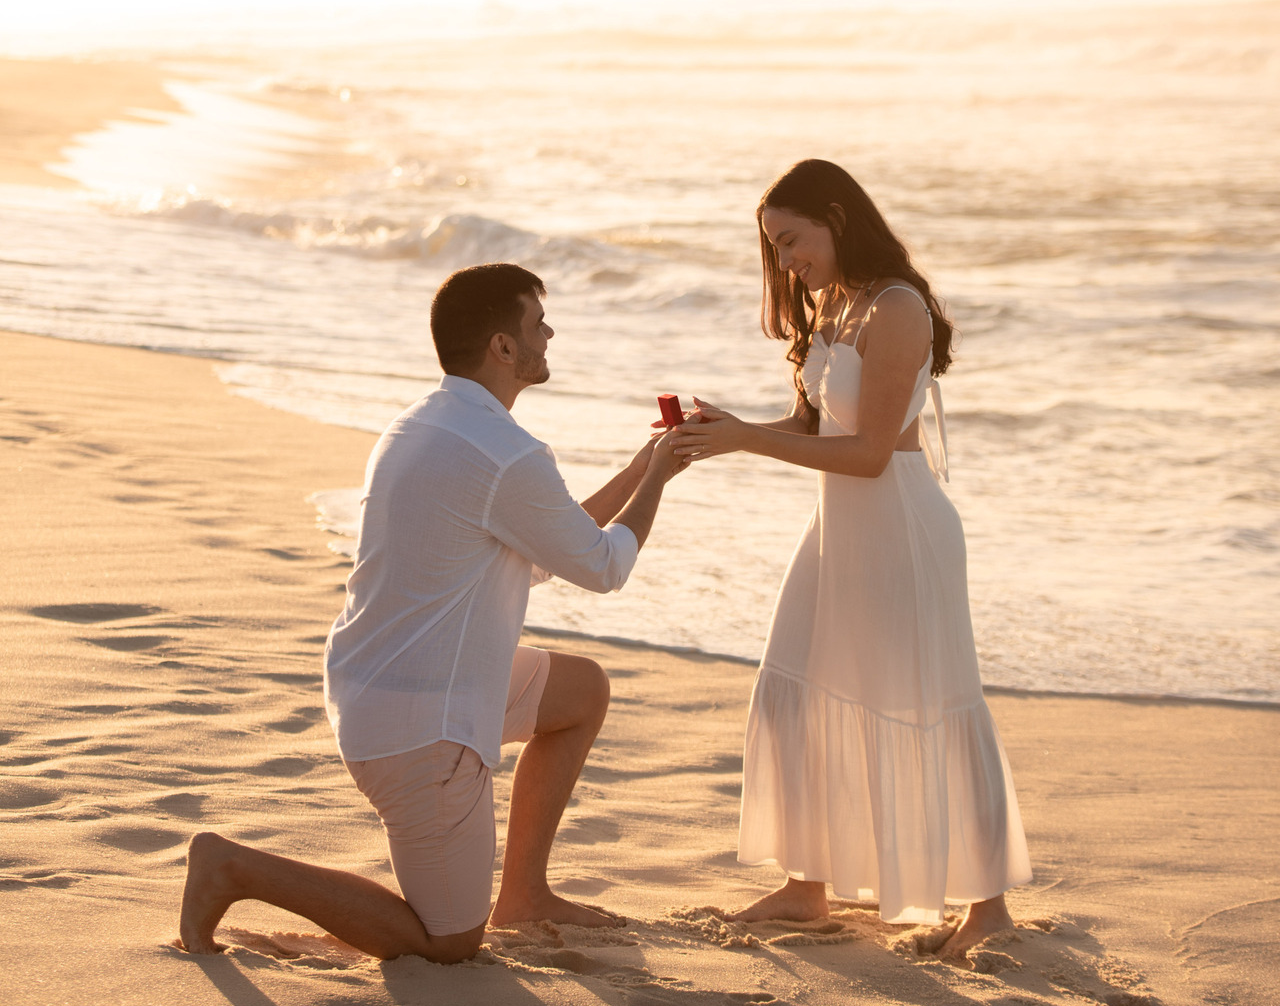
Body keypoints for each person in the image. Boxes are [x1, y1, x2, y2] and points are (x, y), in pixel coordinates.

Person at [179, 261, 682, 964]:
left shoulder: (423, 425)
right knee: (448, 942)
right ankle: (234, 867)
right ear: (504, 347)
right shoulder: (507, 454)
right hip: (421, 730)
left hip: (381, 689)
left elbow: (553, 544)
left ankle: (525, 892)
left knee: (580, 689)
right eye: (538, 321)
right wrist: (660, 479)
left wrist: (643, 466)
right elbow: (602, 565)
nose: (551, 332)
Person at [673, 159, 1031, 962]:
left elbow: (870, 452)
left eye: (794, 240)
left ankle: (988, 904)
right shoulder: (831, 302)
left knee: (934, 700)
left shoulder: (897, 307)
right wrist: (734, 427)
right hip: (837, 526)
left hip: (899, 523)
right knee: (793, 686)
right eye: (777, 247)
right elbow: (814, 424)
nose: (788, 260)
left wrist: (744, 442)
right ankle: (809, 884)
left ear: (837, 215)